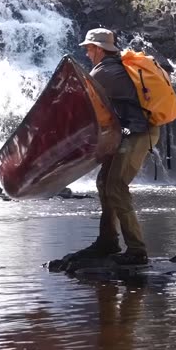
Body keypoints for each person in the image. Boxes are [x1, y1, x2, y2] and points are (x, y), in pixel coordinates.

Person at [72, 28, 160, 265]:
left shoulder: (104, 73)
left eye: (89, 49)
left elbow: (79, 104)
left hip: (137, 134)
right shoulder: (116, 67)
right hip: (129, 132)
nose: (87, 54)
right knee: (104, 182)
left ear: (99, 49)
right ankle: (108, 241)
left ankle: (137, 250)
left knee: (115, 186)